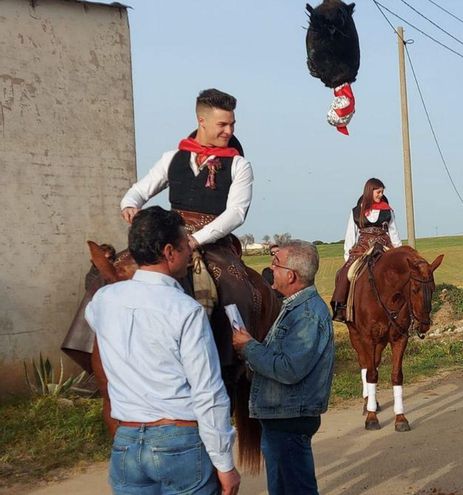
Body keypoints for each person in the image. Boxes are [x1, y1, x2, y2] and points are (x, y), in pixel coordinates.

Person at [85, 206, 241, 495]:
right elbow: (207, 392)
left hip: (126, 443)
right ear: (170, 252)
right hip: (178, 443)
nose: (189, 253)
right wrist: (224, 463)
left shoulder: (104, 301)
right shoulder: (186, 310)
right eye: (185, 246)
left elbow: (92, 316)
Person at [119, 88, 257, 368]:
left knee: (236, 290)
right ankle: (91, 356)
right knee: (109, 271)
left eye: (232, 124)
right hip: (169, 238)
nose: (229, 130)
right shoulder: (172, 158)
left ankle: (234, 365)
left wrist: (195, 240)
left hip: (214, 244)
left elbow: (236, 213)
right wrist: (129, 205)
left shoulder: (239, 165)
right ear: (201, 121)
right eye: (222, 124)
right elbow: (138, 190)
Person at [232, 241, 335, 495]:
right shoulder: (294, 307)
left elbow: (289, 368)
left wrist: (248, 347)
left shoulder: (307, 315)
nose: (271, 268)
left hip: (288, 417)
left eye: (276, 263)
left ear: (291, 276)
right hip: (282, 415)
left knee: (296, 489)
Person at [330, 177, 403, 322]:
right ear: (370, 191)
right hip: (362, 248)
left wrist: (399, 253)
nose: (380, 195)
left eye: (382, 192)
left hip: (383, 246)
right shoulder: (356, 211)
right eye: (378, 192)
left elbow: (394, 234)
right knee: (345, 272)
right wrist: (348, 258)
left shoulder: (388, 211)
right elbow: (350, 235)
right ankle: (341, 307)